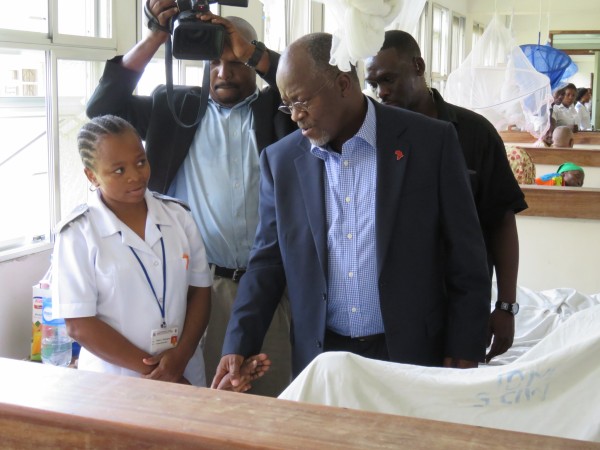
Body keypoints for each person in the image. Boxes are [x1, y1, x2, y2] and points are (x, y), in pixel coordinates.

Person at [212, 32, 492, 390]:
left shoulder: (429, 143)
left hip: (410, 351)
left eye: (301, 101)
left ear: (343, 84)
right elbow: (267, 262)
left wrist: (465, 344)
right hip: (322, 354)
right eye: (287, 105)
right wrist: (238, 344)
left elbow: (466, 255)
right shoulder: (281, 162)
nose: (296, 116)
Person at [85, 4, 295, 396]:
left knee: (271, 403)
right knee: (201, 403)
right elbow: (102, 110)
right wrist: (157, 34)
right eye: (214, 61)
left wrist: (254, 53)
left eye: (236, 61)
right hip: (197, 292)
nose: (223, 72)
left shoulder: (281, 111)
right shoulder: (174, 107)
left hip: (269, 288)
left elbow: (312, 88)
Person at [364, 30, 527, 363]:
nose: (382, 92)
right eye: (373, 84)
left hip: (460, 306)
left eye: (389, 79)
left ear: (418, 66)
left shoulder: (474, 133)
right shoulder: (372, 140)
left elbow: (500, 222)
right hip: (393, 315)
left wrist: (506, 305)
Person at [52, 115, 213, 386]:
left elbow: (200, 291)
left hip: (184, 367)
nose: (135, 176)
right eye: (119, 170)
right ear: (91, 175)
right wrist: (161, 373)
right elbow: (79, 324)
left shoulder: (178, 217)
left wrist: (180, 358)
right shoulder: (78, 234)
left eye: (140, 162)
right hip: (116, 382)